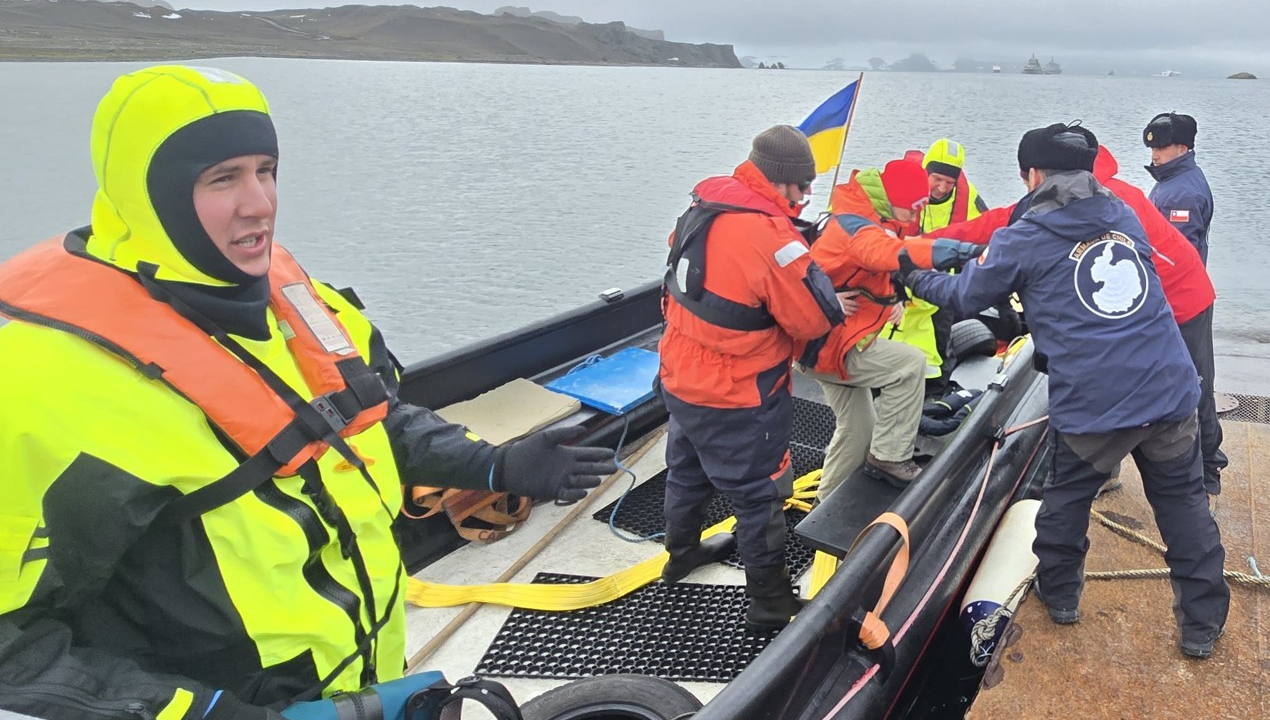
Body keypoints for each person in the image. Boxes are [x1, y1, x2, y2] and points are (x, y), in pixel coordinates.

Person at [0, 65, 616, 720]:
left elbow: (367, 420)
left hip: (361, 684)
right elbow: (15, 649)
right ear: (150, 195)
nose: (259, 203)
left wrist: (494, 465)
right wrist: (199, 713)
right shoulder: (52, 382)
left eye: (265, 170)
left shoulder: (297, 303)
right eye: (222, 178)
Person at [903, 122, 1229, 659]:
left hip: (1095, 402)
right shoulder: (1123, 212)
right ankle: (1202, 625)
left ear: (1031, 174)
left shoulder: (1025, 236)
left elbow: (963, 297)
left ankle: (1060, 598)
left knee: (1065, 501)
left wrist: (908, 271)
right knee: (1185, 507)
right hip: (1169, 388)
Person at [934, 145, 1225, 512]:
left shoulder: (1104, 201)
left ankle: (1209, 475)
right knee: (1121, 383)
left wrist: (917, 248)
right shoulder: (1087, 196)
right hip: (1136, 306)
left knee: (1195, 387)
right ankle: (1108, 469)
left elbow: (1003, 224)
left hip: (1183, 297)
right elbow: (1005, 222)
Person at [658, 125, 847, 631]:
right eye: (803, 185)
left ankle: (680, 554)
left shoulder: (703, 205)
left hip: (680, 375)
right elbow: (812, 320)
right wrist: (807, 260)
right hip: (738, 394)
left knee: (687, 470)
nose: (806, 195)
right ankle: (770, 602)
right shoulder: (773, 239)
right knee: (758, 494)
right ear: (782, 180)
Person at [795, 158, 983, 499]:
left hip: (826, 338)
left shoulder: (872, 217)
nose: (916, 213)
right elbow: (886, 252)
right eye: (913, 206)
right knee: (909, 364)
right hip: (827, 345)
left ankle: (827, 499)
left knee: (858, 427)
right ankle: (890, 457)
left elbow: (870, 266)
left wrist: (893, 296)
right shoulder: (858, 229)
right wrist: (966, 253)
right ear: (895, 198)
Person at [887, 139, 990, 388]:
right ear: (926, 172)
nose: (943, 188)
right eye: (937, 179)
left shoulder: (968, 197)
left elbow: (987, 231)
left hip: (939, 286)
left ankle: (936, 391)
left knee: (940, 346)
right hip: (893, 282)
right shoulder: (898, 187)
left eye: (950, 182)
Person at [1143, 112, 1214, 265]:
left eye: (1161, 148)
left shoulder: (1182, 195)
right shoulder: (1177, 178)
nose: (1154, 156)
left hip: (1172, 278)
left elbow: (1176, 256)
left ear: (1182, 149)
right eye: (1153, 149)